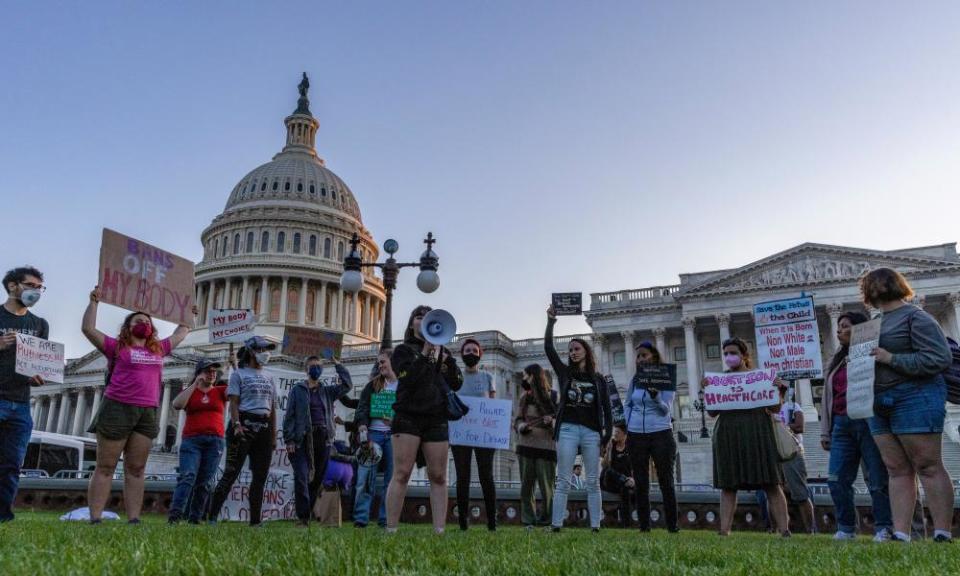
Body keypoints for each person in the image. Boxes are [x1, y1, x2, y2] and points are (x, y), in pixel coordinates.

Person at [81, 286, 193, 524]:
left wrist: (187, 313)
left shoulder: (159, 349)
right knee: (106, 465)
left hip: (147, 410)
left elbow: (182, 332)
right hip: (117, 406)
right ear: (128, 328)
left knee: (137, 467)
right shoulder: (117, 347)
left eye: (147, 321)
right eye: (138, 320)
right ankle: (96, 517)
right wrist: (94, 303)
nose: (144, 323)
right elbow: (88, 329)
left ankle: (134, 519)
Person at [861, 267, 954, 543]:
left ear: (895, 285)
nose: (875, 287)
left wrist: (892, 359)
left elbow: (939, 358)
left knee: (927, 465)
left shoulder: (916, 317)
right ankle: (901, 533)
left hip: (915, 397)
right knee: (896, 469)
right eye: (870, 284)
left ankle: (942, 533)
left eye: (880, 282)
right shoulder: (873, 324)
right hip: (877, 402)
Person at [384, 306, 463, 534]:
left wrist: (447, 361)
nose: (424, 320)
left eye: (428, 317)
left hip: (436, 417)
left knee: (438, 475)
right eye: (420, 317)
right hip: (408, 416)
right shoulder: (402, 351)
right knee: (402, 473)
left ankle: (439, 529)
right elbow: (407, 379)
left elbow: (456, 382)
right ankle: (391, 528)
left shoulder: (443, 352)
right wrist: (427, 352)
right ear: (412, 324)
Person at [821, 311, 893, 541]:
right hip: (842, 423)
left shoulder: (874, 352)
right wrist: (825, 430)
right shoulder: (836, 360)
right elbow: (827, 397)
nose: (838, 330)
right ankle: (846, 528)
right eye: (838, 326)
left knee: (877, 478)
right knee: (836, 479)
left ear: (861, 329)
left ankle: (884, 526)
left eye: (844, 326)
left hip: (870, 418)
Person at [707, 337, 790, 536]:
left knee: (771, 482)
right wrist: (707, 390)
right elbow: (712, 412)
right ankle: (724, 530)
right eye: (726, 353)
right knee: (728, 485)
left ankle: (785, 530)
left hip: (758, 431)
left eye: (733, 352)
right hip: (728, 433)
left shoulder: (760, 377)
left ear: (744, 355)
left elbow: (775, 407)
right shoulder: (720, 380)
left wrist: (780, 390)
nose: (729, 357)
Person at [545, 304, 612, 533]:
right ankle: (556, 524)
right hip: (568, 429)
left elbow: (606, 409)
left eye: (576, 348)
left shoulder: (598, 379)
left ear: (586, 351)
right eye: (570, 350)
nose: (572, 352)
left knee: (593, 480)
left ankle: (595, 525)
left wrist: (608, 435)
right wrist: (551, 322)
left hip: (592, 431)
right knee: (563, 478)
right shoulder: (565, 374)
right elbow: (548, 349)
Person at [205, 336, 278, 526]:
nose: (265, 354)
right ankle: (212, 516)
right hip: (243, 425)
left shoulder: (270, 377)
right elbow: (234, 403)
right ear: (252, 352)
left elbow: (272, 408)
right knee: (231, 473)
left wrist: (273, 435)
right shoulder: (239, 375)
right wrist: (237, 424)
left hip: (264, 427)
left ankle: (255, 521)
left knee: (260, 477)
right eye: (261, 350)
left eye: (266, 350)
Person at [0, 266, 49, 523]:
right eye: (31, 285)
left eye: (39, 287)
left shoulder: (39, 324)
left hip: (21, 403)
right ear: (12, 286)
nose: (36, 291)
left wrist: (38, 375)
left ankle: (3, 516)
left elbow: (40, 362)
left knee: (11, 465)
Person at [283, 354, 352, 527]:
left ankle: (307, 517)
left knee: (316, 480)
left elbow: (347, 385)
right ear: (306, 369)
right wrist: (289, 439)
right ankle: (303, 517)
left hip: (323, 438)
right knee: (301, 476)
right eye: (313, 366)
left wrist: (338, 365)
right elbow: (289, 415)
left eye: (319, 366)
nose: (316, 369)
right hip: (303, 438)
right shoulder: (298, 390)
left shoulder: (327, 391)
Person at [624, 341, 678, 533]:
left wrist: (655, 397)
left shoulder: (665, 378)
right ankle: (644, 526)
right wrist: (627, 425)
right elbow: (628, 403)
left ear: (654, 356)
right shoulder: (634, 380)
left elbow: (666, 410)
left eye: (644, 355)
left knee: (666, 480)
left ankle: (672, 525)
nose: (639, 359)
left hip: (661, 432)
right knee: (640, 482)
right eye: (638, 356)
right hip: (636, 434)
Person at [167, 359, 226, 524]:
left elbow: (237, 391)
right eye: (208, 371)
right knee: (187, 476)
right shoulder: (191, 392)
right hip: (192, 440)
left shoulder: (220, 391)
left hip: (215, 441)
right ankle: (175, 516)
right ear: (199, 373)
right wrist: (195, 385)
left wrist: (235, 366)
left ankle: (195, 518)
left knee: (205, 482)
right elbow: (177, 404)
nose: (212, 374)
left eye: (214, 371)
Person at [451, 338, 498, 531]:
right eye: (467, 350)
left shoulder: (488, 377)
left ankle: (492, 522)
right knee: (462, 476)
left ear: (480, 354)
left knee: (486, 475)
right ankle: (463, 520)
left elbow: (493, 405)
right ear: (462, 354)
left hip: (484, 433)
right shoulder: (456, 378)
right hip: (461, 433)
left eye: (474, 350)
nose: (471, 353)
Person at [354, 349, 397, 528]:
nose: (380, 366)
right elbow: (362, 408)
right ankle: (361, 518)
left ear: (393, 362)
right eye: (378, 363)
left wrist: (395, 420)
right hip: (373, 434)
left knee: (392, 479)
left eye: (383, 362)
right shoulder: (373, 385)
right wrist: (362, 424)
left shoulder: (403, 386)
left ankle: (385, 518)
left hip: (395, 435)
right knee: (365, 477)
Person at [514, 363, 557, 529]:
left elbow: (560, 421)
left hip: (547, 448)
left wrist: (551, 421)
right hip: (525, 446)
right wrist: (521, 426)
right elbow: (517, 420)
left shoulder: (554, 396)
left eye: (526, 375)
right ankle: (528, 520)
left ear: (534, 376)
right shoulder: (524, 397)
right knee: (526, 486)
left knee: (547, 487)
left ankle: (547, 520)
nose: (524, 379)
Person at [777, 389, 817, 534]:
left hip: (792, 452)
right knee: (773, 492)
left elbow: (800, 427)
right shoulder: (765, 410)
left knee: (800, 493)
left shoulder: (792, 406)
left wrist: (781, 428)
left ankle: (810, 530)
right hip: (773, 453)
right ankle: (779, 530)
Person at [601, 424, 635, 528]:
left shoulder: (630, 448)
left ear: (625, 435)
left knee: (625, 490)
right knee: (609, 471)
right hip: (611, 481)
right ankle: (625, 480)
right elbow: (604, 465)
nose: (615, 434)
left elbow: (634, 466)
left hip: (625, 483)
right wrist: (609, 450)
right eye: (615, 432)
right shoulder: (612, 446)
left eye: (618, 432)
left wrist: (633, 479)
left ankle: (626, 524)